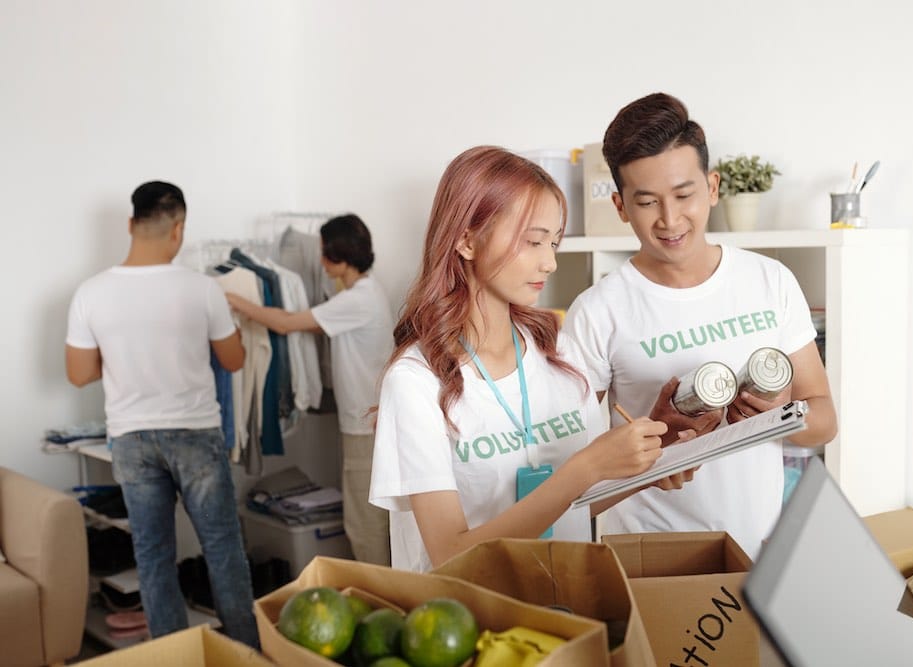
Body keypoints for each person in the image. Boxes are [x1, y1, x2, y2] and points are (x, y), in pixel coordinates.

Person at [368, 146, 671, 573]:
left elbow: (578, 501)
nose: (549, 262)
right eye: (532, 241)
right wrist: (582, 469)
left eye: (554, 242)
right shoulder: (416, 381)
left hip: (565, 606)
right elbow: (450, 555)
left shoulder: (559, 353)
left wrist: (648, 464)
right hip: (467, 625)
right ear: (466, 239)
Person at [562, 93, 839, 560]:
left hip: (760, 553)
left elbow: (825, 421)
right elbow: (570, 469)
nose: (670, 220)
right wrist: (651, 455)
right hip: (648, 556)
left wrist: (774, 421)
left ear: (712, 187)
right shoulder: (597, 311)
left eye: (684, 195)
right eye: (647, 202)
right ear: (621, 205)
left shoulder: (768, 281)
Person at [65, 181, 259, 647]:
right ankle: (249, 655)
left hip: (131, 439)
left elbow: (79, 374)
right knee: (224, 552)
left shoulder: (90, 293)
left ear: (130, 224)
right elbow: (234, 360)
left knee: (152, 556)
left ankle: (173, 658)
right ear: (179, 229)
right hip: (195, 434)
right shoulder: (202, 290)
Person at [225, 214, 392, 566]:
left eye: (323, 253)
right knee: (369, 518)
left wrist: (236, 301)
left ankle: (384, 604)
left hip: (366, 426)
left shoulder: (357, 299)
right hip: (367, 421)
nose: (318, 261)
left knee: (365, 524)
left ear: (339, 255)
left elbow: (288, 325)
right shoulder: (361, 293)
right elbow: (315, 326)